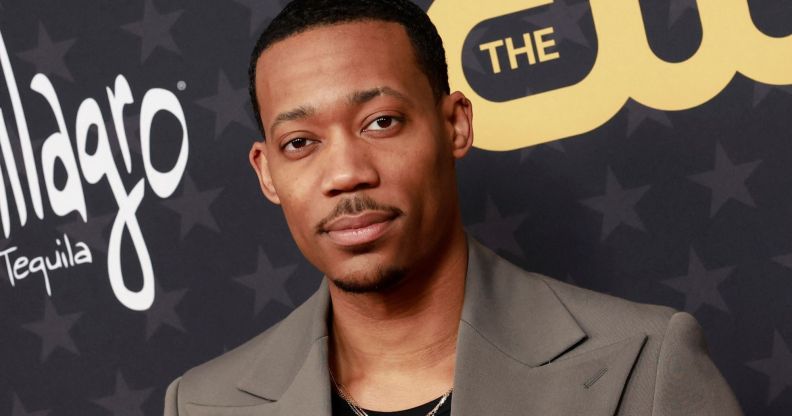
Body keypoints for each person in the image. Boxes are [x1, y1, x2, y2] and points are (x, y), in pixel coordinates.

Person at [163, 0, 743, 414]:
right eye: (301, 143)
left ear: (455, 125)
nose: (345, 173)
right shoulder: (205, 403)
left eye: (381, 122)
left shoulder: (645, 364)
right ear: (268, 173)